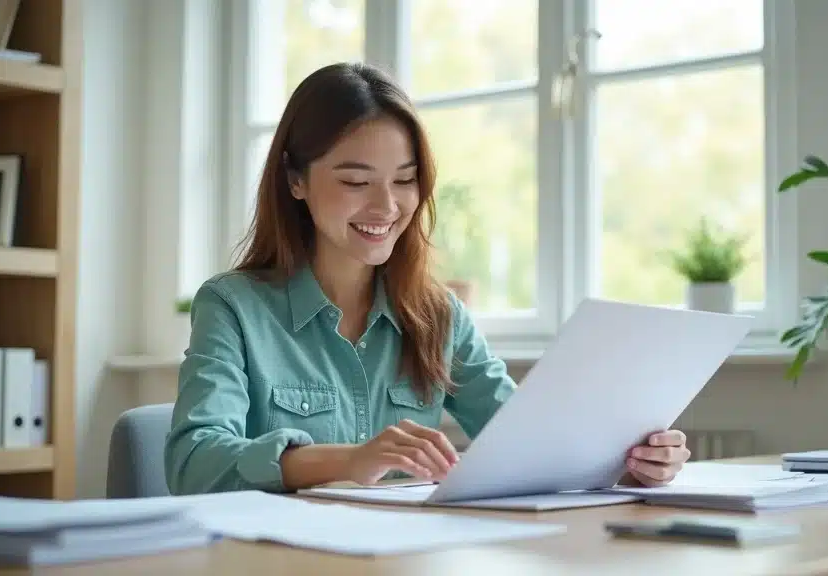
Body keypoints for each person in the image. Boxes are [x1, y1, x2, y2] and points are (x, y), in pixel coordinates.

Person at [163, 62, 691, 496]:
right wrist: (349, 461)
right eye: (355, 181)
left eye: (405, 180)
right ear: (295, 179)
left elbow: (527, 443)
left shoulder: (438, 316)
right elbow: (193, 463)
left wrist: (631, 463)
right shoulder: (233, 307)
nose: (386, 206)